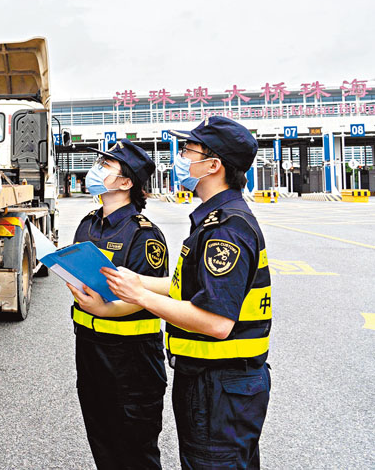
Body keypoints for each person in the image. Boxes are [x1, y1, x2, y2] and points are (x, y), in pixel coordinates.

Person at [103, 116, 271, 470]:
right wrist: (136, 280)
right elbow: (191, 288)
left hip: (219, 385)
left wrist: (141, 297)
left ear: (213, 165)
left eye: (188, 150)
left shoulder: (227, 229)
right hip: (217, 381)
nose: (180, 157)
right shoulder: (216, 219)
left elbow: (216, 322)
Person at [67, 139, 169, 470]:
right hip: (90, 350)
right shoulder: (88, 223)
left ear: (126, 183)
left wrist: (104, 309)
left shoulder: (144, 235)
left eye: (106, 166)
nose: (95, 171)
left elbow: (147, 298)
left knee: (135, 451)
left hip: (132, 360)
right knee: (103, 441)